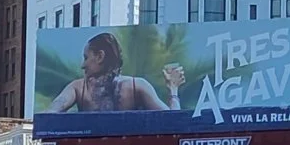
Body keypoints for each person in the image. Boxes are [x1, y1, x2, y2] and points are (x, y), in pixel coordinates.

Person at [46, 33, 187, 114]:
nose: (83, 65)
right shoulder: (78, 88)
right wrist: (173, 91)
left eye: (86, 58)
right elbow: (172, 122)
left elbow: (172, 125)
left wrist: (172, 88)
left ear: (100, 56)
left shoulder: (137, 86)